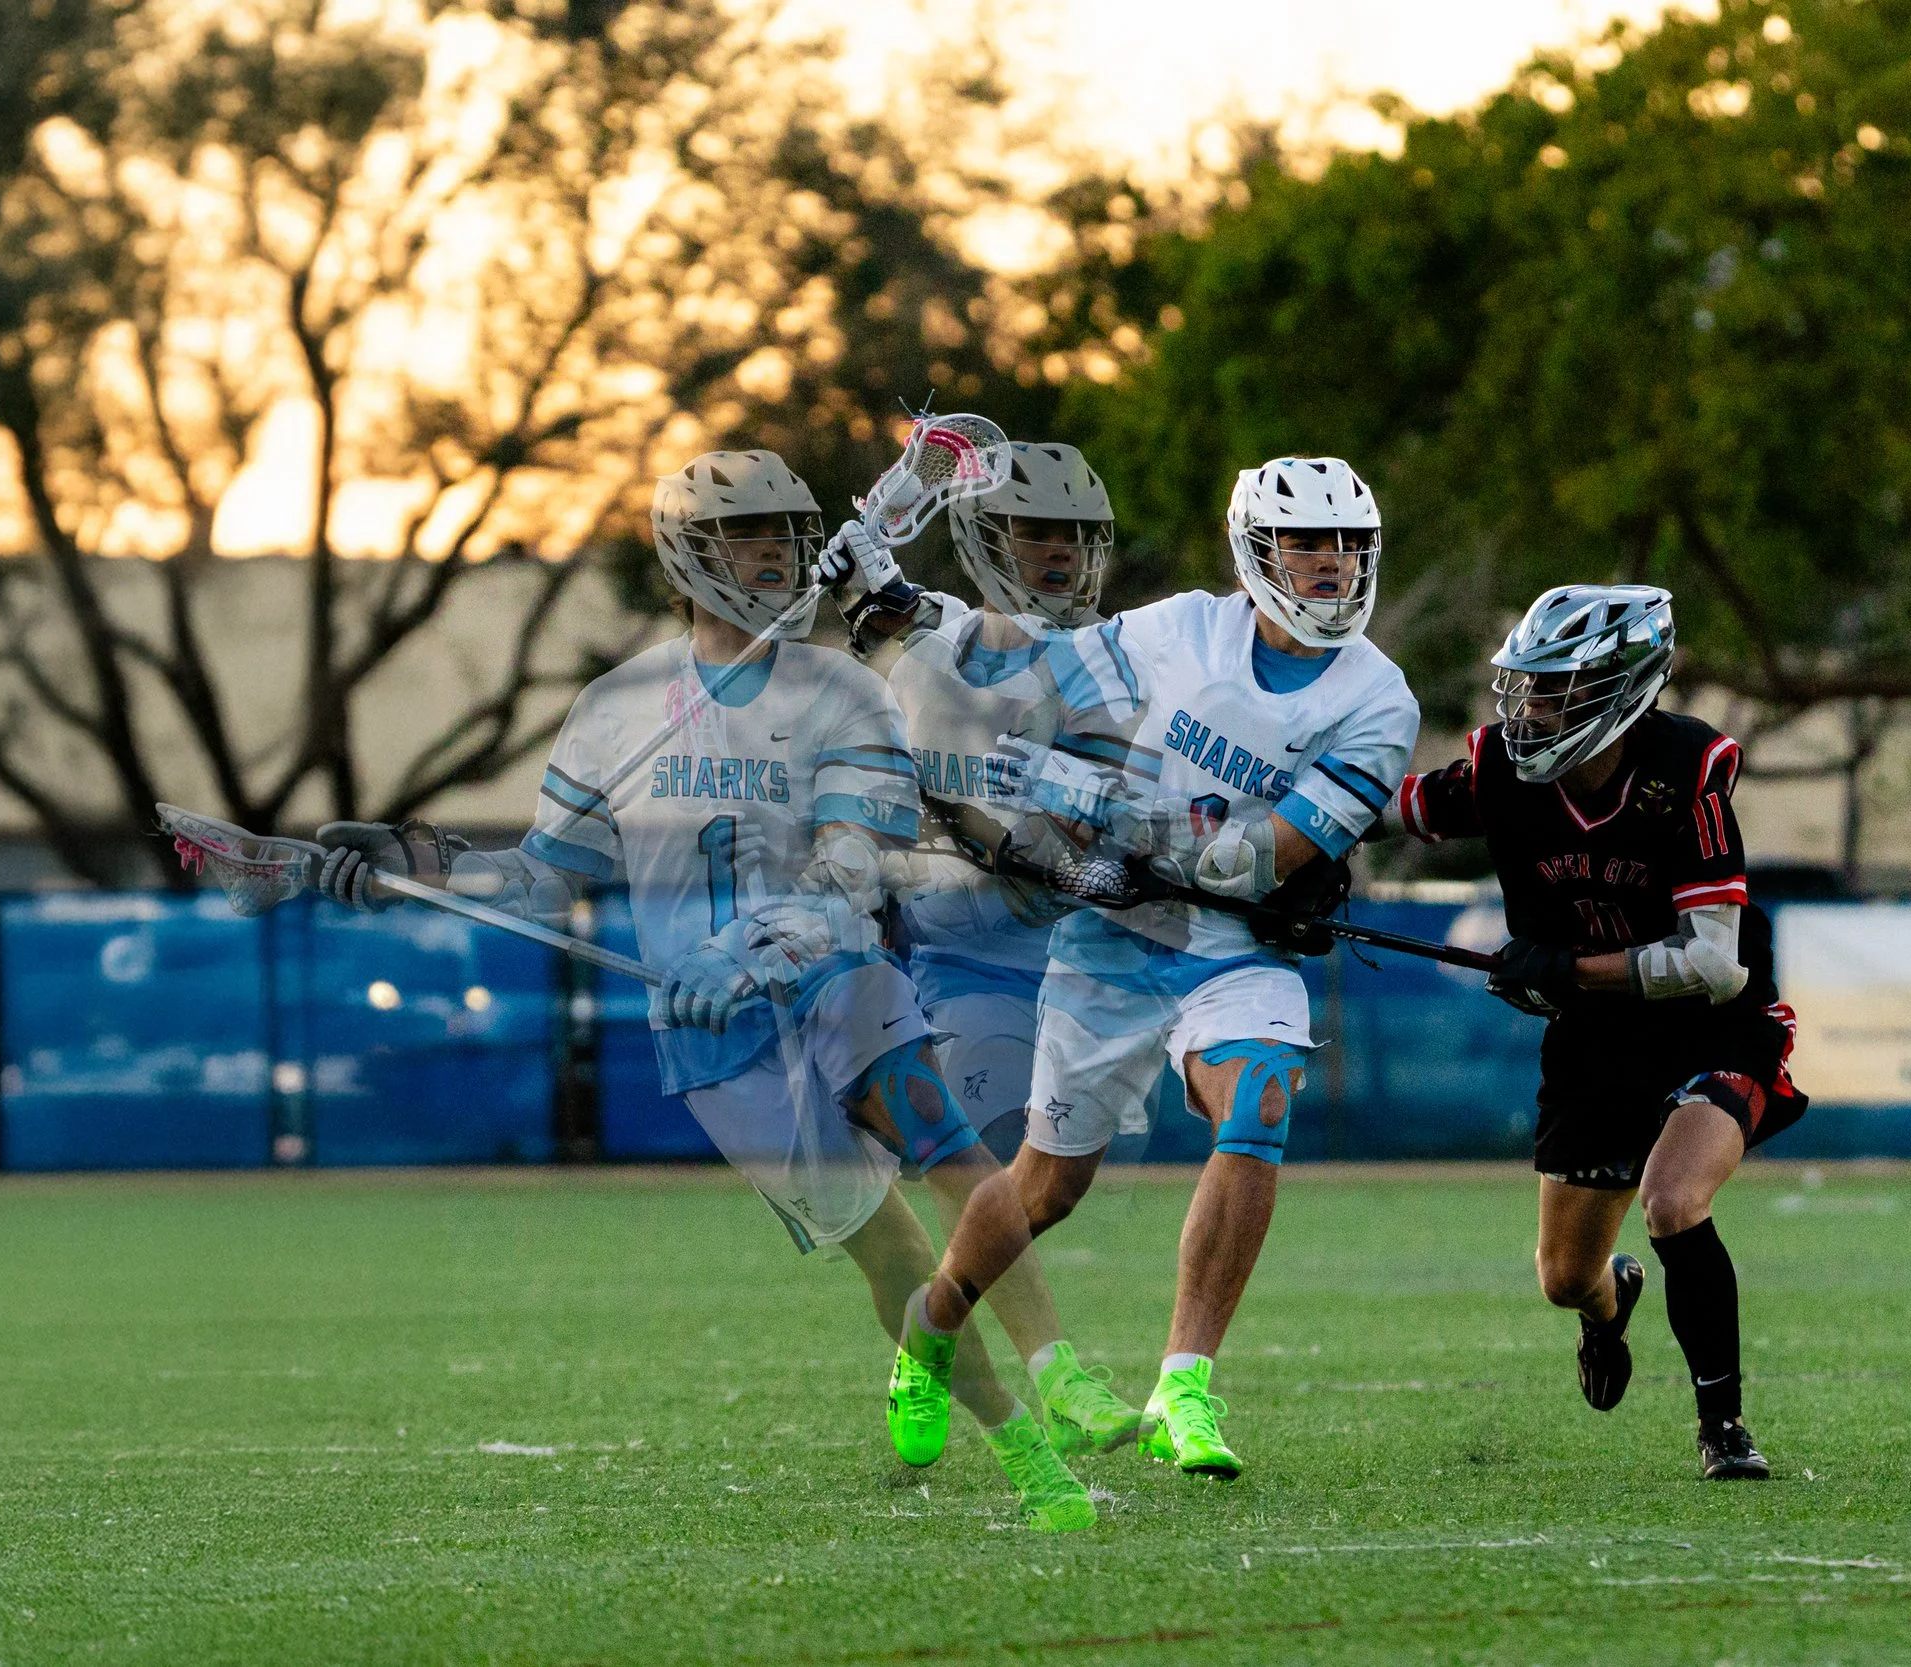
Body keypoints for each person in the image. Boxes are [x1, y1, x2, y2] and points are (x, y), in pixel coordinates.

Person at [310, 450, 1095, 1531]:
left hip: (832, 977)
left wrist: (750, 948)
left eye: (783, 534)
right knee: (885, 1246)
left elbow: (853, 866)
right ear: (687, 553)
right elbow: (545, 876)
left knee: (941, 1133)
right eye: (744, 536)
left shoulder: (844, 689)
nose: (770, 554)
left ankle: (1048, 1423)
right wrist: (416, 870)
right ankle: (944, 1364)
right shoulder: (618, 706)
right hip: (710, 1034)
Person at [825, 455, 1418, 1480]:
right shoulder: (1183, 627)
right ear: (1256, 552)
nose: (1329, 565)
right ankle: (932, 1329)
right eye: (1306, 544)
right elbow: (1024, 666)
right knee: (1048, 1186)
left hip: (1236, 940)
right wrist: (898, 605)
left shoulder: (1379, 699)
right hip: (1113, 940)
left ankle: (1184, 1383)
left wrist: (1099, 811)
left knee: (1262, 1096)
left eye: (1347, 546)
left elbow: (1249, 860)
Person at [1384, 583, 1805, 1481]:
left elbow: (1713, 962)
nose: (1530, 708)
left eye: (1555, 690)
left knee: (1673, 1198)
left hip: (1713, 1026)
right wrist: (1291, 851)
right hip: (1597, 1042)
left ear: (1622, 688)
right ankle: (1610, 1305)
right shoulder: (1501, 770)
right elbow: (1392, 806)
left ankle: (1723, 1425)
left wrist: (1569, 971)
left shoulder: (1684, 776)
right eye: (1527, 687)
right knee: (1563, 1276)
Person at [822, 441, 1145, 1459]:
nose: (1059, 555)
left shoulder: (1112, 674)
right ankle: (1060, 1374)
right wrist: (862, 551)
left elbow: (1075, 849)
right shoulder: (928, 631)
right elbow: (859, 598)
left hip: (1059, 951)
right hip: (936, 952)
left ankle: (928, 1337)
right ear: (985, 538)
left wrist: (997, 829)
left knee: (1041, 1186)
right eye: (1036, 532)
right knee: (977, 1160)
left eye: (1076, 537)